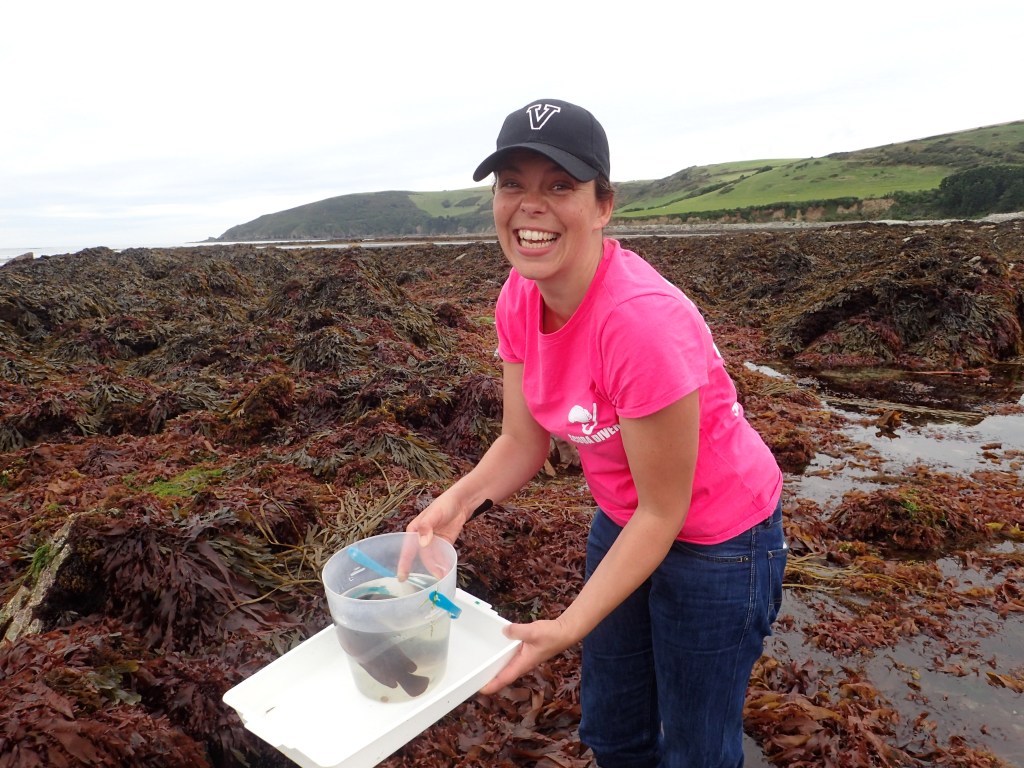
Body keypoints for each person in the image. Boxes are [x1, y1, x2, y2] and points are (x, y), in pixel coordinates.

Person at [404, 98, 787, 768]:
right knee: (612, 733)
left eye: (560, 186)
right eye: (512, 184)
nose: (530, 205)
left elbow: (665, 510)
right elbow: (522, 442)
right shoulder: (519, 297)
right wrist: (454, 506)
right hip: (625, 517)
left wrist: (568, 625)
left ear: (603, 205)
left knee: (697, 751)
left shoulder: (638, 322)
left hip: (721, 538)